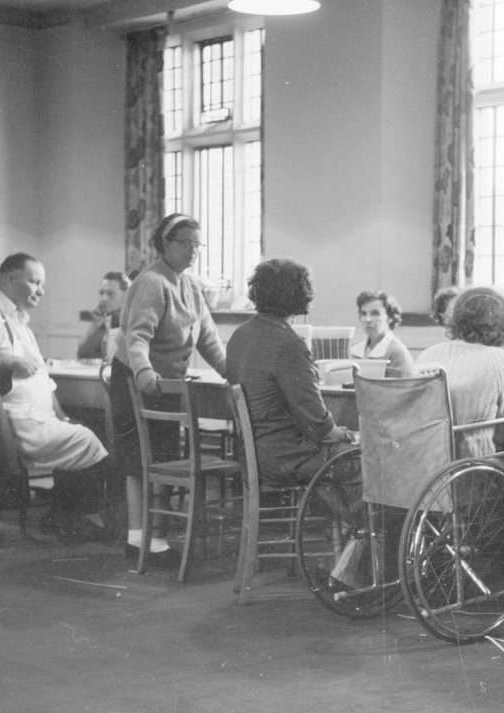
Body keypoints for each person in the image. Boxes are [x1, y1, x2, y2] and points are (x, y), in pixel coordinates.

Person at [0, 252, 109, 541]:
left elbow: (44, 382)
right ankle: (83, 519)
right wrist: (9, 361)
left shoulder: (19, 322)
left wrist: (63, 417)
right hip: (17, 424)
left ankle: (64, 515)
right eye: (35, 282)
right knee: (89, 439)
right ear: (11, 279)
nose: (41, 291)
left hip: (38, 417)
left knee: (83, 431)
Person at [110, 213, 227, 566]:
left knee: (162, 460)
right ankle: (137, 539)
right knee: (140, 461)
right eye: (184, 243)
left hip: (165, 385)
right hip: (136, 379)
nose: (192, 250)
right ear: (164, 244)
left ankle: (155, 539)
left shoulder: (190, 286)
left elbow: (208, 339)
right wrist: (144, 371)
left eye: (197, 244)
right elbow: (137, 335)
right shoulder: (152, 281)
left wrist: (234, 373)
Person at [226, 258, 355, 487]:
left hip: (252, 456)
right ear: (299, 295)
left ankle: (317, 521)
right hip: (285, 460)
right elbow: (319, 424)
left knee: (344, 455)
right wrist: (345, 435)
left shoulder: (239, 335)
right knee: (364, 459)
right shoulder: (289, 343)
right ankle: (363, 523)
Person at [416, 287, 504, 458]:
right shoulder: (499, 359)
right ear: (503, 322)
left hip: (426, 460)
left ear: (454, 318)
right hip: (473, 460)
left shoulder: (427, 354)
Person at [349, 290, 414, 378]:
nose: (368, 319)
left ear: (390, 317)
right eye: (363, 314)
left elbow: (400, 390)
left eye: (375, 314)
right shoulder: (354, 351)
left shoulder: (397, 354)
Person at [77, 270, 129, 361]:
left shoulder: (136, 322)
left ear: (127, 295)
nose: (103, 299)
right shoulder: (104, 321)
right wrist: (95, 324)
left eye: (110, 294)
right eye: (102, 293)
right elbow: (82, 354)